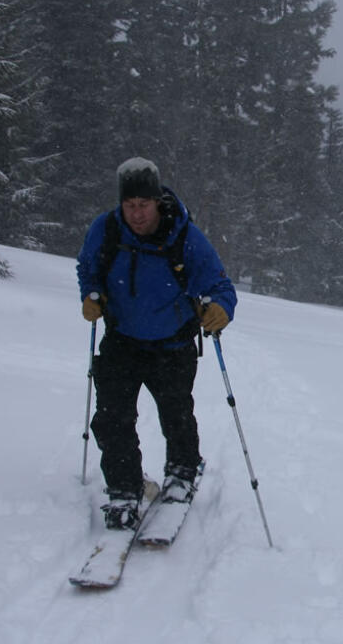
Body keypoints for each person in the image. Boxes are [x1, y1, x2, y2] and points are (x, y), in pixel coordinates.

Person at [76, 157, 237, 531]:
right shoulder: (106, 230)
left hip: (173, 344)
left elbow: (219, 285)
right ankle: (124, 490)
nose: (136, 214)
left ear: (157, 202)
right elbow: (88, 268)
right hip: (122, 340)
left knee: (176, 413)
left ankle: (182, 470)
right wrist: (92, 295)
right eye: (129, 206)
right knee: (112, 417)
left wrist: (221, 310)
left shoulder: (183, 236)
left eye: (143, 205)